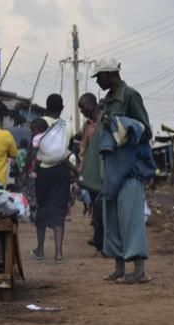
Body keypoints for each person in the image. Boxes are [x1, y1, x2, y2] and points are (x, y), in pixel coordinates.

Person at [92, 57, 154, 284]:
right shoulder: (107, 101)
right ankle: (119, 266)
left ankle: (139, 271)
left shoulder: (130, 96)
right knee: (112, 220)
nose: (98, 81)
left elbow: (146, 131)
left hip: (129, 169)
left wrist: (120, 125)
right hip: (112, 169)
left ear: (110, 74)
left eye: (100, 76)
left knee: (131, 219)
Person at [30, 94, 73, 263]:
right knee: (58, 211)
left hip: (43, 172)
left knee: (42, 207)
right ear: (61, 109)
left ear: (46, 107)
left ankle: (40, 249)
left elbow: (33, 147)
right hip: (62, 171)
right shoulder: (67, 125)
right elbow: (66, 150)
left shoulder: (38, 123)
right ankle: (58, 253)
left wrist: (28, 169)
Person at [77, 93, 106, 255]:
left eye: (83, 107)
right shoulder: (86, 126)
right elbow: (84, 149)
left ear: (92, 104)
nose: (82, 111)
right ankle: (100, 241)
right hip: (92, 173)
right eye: (80, 109)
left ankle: (104, 241)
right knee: (96, 207)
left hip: (106, 171)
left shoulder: (105, 120)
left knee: (104, 207)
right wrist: (81, 168)